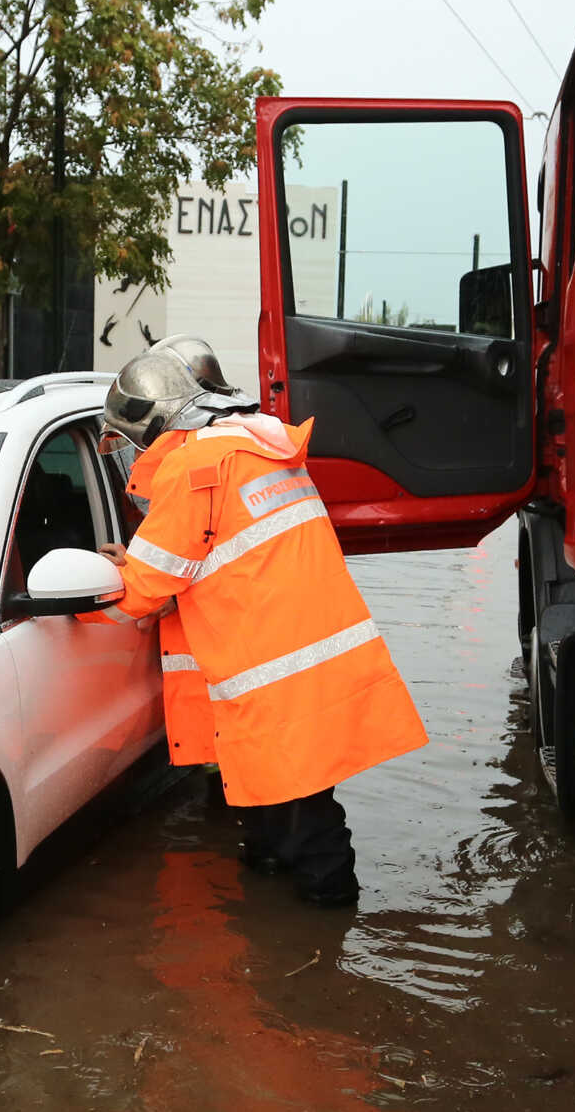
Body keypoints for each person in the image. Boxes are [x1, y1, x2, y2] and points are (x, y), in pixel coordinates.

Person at [92, 337, 426, 906]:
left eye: (134, 439)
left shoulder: (194, 465)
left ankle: (329, 925)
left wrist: (103, 579)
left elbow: (147, 588)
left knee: (307, 807)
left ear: (156, 423)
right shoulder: (257, 445)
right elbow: (216, 549)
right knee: (285, 787)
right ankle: (283, 886)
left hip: (268, 658)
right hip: (305, 645)